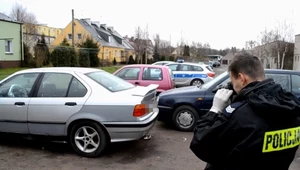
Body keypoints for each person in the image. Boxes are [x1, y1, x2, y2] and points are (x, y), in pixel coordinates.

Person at [190, 53, 300, 170]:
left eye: (233, 83)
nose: (233, 87)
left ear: (242, 78)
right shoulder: (291, 109)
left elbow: (200, 144)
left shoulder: (240, 115)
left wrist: (215, 110)